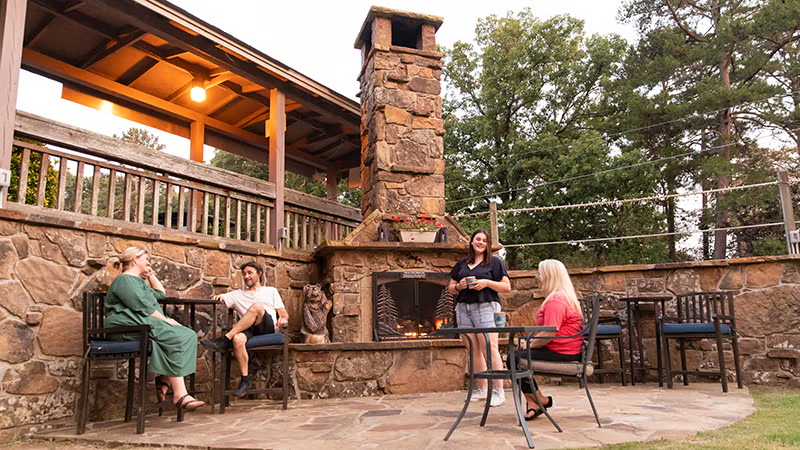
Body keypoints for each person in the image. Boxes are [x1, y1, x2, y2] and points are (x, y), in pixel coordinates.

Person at [105, 247, 204, 411]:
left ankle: (165, 379)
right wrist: (166, 320)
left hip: (143, 323)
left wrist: (150, 275)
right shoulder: (124, 280)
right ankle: (180, 394)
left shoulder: (137, 282)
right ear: (135, 259)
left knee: (187, 335)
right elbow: (141, 306)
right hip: (127, 324)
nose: (149, 262)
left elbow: (160, 293)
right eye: (146, 259)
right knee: (177, 335)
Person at [200, 261, 289, 397]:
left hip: (268, 327)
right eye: (244, 274)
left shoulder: (271, 291)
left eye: (249, 273)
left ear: (259, 274)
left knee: (257, 307)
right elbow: (219, 298)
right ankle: (245, 380)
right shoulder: (237, 294)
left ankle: (224, 340)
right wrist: (218, 297)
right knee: (238, 338)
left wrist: (283, 319)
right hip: (250, 330)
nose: (246, 276)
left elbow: (283, 313)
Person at [513, 259, 584, 420]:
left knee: (515, 359)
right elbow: (547, 331)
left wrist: (529, 345)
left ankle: (540, 401)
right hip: (564, 350)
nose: (537, 277)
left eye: (539, 273)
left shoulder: (556, 301)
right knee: (517, 355)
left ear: (548, 276)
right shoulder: (561, 297)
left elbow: (549, 334)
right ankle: (535, 402)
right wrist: (529, 343)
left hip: (563, 353)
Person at [448, 229, 511, 407]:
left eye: (484, 240)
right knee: (473, 349)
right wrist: (459, 286)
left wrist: (486, 283)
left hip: (486, 307)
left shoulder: (495, 263)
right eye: (478, 239)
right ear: (471, 242)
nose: (481, 242)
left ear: (488, 245)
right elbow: (450, 287)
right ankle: (483, 389)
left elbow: (506, 287)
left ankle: (499, 391)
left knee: (490, 348)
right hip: (463, 308)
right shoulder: (461, 264)